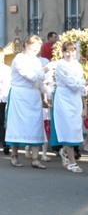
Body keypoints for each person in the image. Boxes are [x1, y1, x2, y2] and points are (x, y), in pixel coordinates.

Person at [50, 41, 88, 173]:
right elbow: (73, 83)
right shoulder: (61, 65)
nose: (69, 54)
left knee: (75, 129)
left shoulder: (77, 65)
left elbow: (81, 87)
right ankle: (72, 162)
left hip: (75, 99)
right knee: (69, 129)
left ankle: (64, 151)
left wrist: (84, 105)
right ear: (62, 52)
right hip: (64, 99)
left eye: (72, 51)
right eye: (66, 51)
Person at [5, 35, 49, 169]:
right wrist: (45, 69)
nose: (35, 49)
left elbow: (39, 81)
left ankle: (35, 159)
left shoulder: (36, 61)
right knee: (18, 125)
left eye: (38, 47)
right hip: (20, 95)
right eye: (33, 46)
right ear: (26, 45)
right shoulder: (19, 59)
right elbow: (31, 76)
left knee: (35, 125)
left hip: (33, 95)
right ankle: (14, 156)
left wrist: (45, 95)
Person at [0, 48, 12, 154]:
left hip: (3, 97)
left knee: (3, 121)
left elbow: (9, 84)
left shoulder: (7, 69)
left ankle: (5, 144)